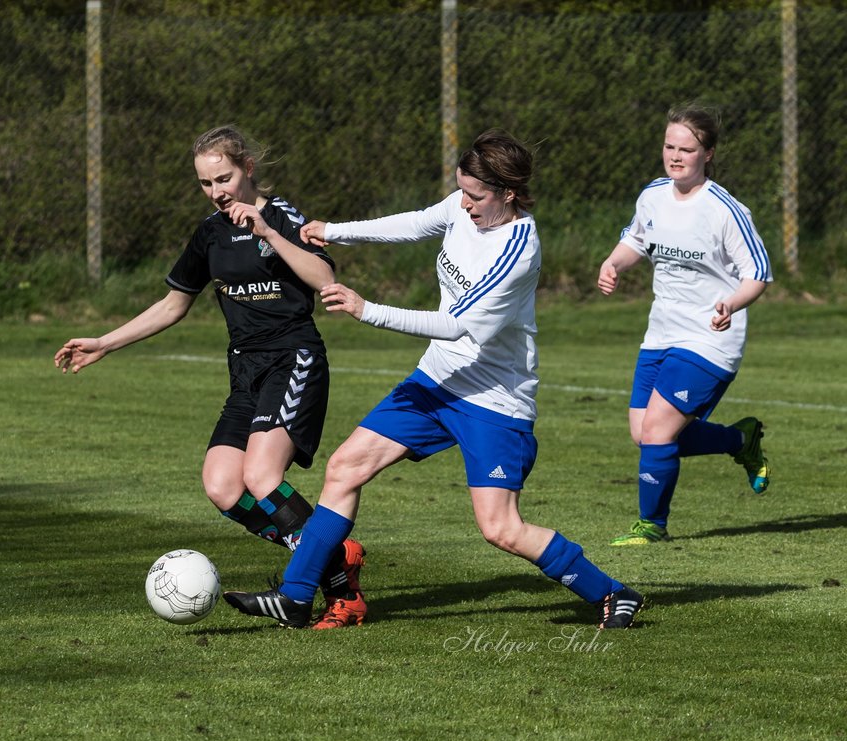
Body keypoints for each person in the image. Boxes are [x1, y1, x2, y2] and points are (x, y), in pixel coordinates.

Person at [224, 129, 644, 630]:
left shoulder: (516, 251)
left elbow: (455, 325)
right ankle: (295, 598)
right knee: (345, 467)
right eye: (462, 191)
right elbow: (417, 222)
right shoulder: (464, 205)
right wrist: (335, 230)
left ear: (508, 194)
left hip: (493, 400)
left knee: (501, 528)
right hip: (436, 382)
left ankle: (613, 593)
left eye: (476, 196)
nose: (464, 204)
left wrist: (367, 309)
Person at [54, 125, 367, 628]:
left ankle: (335, 589)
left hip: (293, 358)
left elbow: (324, 280)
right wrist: (104, 343)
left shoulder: (283, 216)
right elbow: (174, 304)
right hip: (244, 369)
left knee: (263, 478)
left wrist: (266, 231)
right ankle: (334, 553)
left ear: (248, 168)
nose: (217, 191)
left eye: (223, 178)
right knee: (223, 486)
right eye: (206, 183)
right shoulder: (211, 233)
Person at [597, 104, 772, 546]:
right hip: (661, 332)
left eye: (687, 149)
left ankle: (651, 525)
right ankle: (739, 440)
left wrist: (731, 303)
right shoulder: (653, 195)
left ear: (708, 154)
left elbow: (759, 274)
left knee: (657, 430)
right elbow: (635, 239)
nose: (675, 156)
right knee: (645, 435)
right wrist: (614, 263)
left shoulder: (725, 210)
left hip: (711, 336)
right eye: (669, 146)